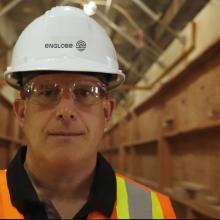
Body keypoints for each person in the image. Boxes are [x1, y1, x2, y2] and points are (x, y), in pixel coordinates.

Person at [0, 6, 176, 219]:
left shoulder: (151, 211)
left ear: (107, 112)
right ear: (21, 112)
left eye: (85, 92)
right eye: (46, 92)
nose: (65, 111)